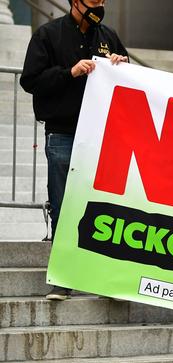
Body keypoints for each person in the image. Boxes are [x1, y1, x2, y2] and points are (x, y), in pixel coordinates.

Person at [20, 0, 128, 301]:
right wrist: (69, 73)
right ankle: (63, 278)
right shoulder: (47, 35)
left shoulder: (108, 36)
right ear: (75, 2)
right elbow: (30, 80)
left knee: (104, 210)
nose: (100, 5)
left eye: (103, 1)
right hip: (64, 134)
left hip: (101, 136)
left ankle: (105, 280)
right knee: (64, 206)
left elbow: (130, 80)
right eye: (94, 1)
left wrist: (122, 66)